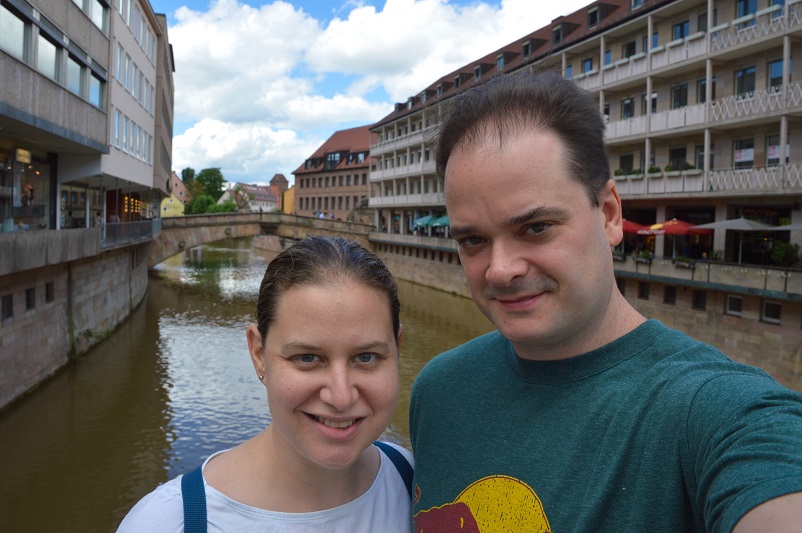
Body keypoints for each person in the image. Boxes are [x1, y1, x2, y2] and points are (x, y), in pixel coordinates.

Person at [408, 72, 802, 532]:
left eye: (536, 228)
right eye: (473, 240)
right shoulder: (436, 389)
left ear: (609, 213)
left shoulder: (720, 413)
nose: (500, 270)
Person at [118, 236, 413, 532]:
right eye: (308, 357)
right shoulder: (166, 523)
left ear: (397, 349)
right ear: (259, 354)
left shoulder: (420, 483)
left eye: (366, 356)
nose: (340, 396)